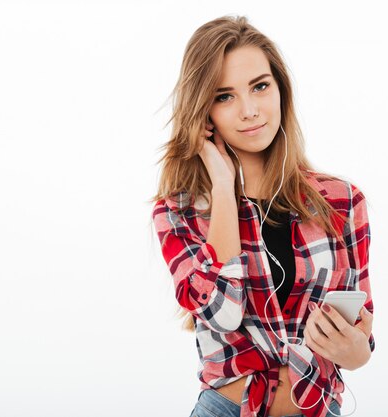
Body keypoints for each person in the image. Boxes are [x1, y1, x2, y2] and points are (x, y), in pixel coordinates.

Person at [151, 15, 375, 417]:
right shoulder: (179, 213)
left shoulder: (341, 202)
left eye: (259, 86)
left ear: (280, 91)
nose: (249, 110)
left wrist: (356, 352)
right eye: (224, 96)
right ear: (203, 113)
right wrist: (222, 187)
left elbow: (362, 336)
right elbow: (223, 312)